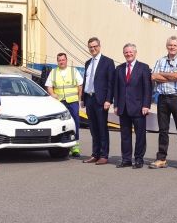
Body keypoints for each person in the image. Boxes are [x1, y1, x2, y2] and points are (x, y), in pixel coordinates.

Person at [151, 36, 177, 171]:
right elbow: (153, 76)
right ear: (166, 46)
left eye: (175, 45)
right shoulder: (160, 60)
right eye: (170, 45)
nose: (172, 47)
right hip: (162, 98)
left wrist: (162, 74)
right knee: (163, 130)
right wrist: (172, 76)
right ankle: (161, 158)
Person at [111, 43, 152, 169]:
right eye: (126, 52)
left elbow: (148, 88)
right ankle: (126, 159)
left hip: (139, 107)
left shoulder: (144, 67)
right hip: (123, 108)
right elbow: (116, 88)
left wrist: (146, 105)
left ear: (135, 52)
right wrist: (116, 105)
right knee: (125, 135)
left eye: (130, 52)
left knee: (140, 135)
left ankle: (139, 159)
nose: (128, 54)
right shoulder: (119, 69)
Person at [81, 37, 115, 165]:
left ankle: (104, 155)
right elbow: (86, 81)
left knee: (102, 128)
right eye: (90, 47)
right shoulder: (88, 63)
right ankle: (95, 154)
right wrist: (83, 99)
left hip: (101, 100)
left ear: (99, 46)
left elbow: (111, 83)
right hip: (89, 98)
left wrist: (108, 100)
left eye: (95, 46)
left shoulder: (108, 62)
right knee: (93, 128)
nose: (93, 49)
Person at [45, 53, 83, 157]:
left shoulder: (73, 71)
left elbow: (80, 85)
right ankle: (60, 144)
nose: (61, 62)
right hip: (60, 102)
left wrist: (79, 99)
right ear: (57, 61)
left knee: (75, 122)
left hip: (72, 101)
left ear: (66, 60)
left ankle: (75, 146)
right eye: (59, 60)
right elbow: (49, 86)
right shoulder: (53, 72)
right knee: (59, 123)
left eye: (63, 60)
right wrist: (52, 94)